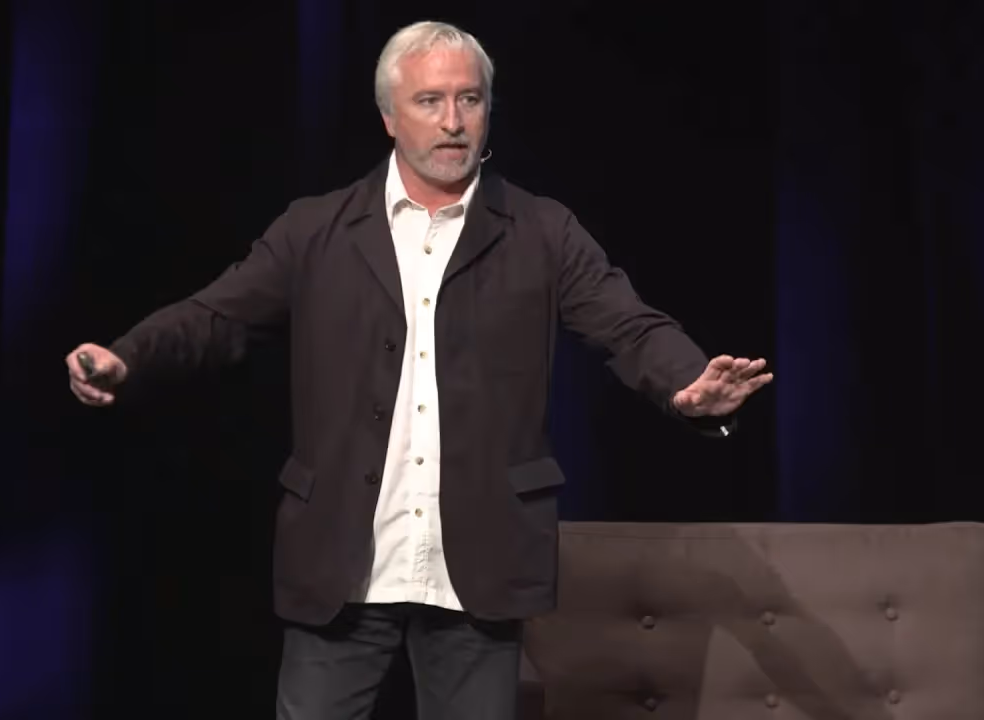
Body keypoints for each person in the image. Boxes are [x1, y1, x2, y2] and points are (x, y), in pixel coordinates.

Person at [65, 19, 772, 720]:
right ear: (389, 118)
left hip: (479, 566)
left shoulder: (542, 231)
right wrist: (130, 357)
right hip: (342, 563)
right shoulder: (317, 230)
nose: (453, 121)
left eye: (469, 100)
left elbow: (628, 324)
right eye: (430, 101)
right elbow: (215, 316)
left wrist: (688, 383)